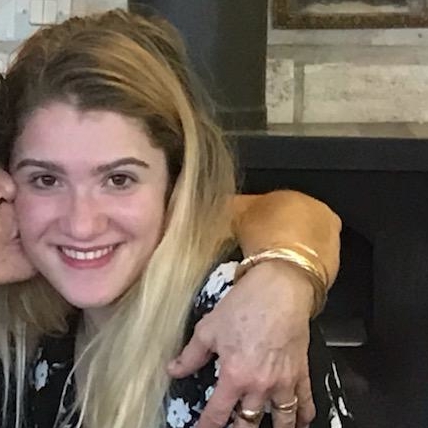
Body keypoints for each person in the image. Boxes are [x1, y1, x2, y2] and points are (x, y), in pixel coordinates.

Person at [0, 9, 351, 428]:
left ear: (177, 182)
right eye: (46, 180)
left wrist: (287, 274)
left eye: (118, 179)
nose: (81, 224)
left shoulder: (239, 333)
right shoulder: (37, 318)